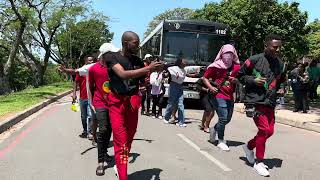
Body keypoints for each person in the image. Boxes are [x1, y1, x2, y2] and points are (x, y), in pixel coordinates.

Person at [103, 31, 163, 180]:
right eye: (135, 43)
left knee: (129, 137)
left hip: (132, 103)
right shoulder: (111, 56)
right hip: (116, 103)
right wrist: (148, 68)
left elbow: (143, 80)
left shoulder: (138, 60)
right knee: (121, 140)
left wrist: (156, 73)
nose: (138, 45)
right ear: (125, 43)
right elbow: (122, 74)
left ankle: (119, 163)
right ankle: (123, 176)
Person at [237, 34, 286, 177]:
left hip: (270, 101)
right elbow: (240, 75)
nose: (277, 50)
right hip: (255, 101)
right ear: (266, 46)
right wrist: (253, 80)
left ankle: (248, 146)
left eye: (279, 48)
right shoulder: (254, 59)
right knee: (264, 130)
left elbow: (282, 79)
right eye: (275, 47)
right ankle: (258, 162)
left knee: (269, 132)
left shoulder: (281, 64)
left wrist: (282, 88)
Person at [88, 43, 120, 176]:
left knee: (110, 130)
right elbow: (90, 86)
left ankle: (105, 153)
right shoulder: (93, 69)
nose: (114, 55)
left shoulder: (116, 67)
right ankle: (101, 162)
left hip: (113, 103)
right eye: (111, 53)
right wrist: (91, 103)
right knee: (103, 129)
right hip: (99, 102)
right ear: (104, 55)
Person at [203, 44, 240, 151]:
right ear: (221, 54)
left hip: (230, 96)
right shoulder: (215, 66)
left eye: (231, 53)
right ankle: (221, 140)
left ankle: (214, 129)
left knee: (227, 119)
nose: (228, 56)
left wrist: (236, 80)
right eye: (226, 53)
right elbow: (205, 78)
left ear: (234, 55)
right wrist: (210, 87)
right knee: (223, 118)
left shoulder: (237, 67)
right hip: (218, 95)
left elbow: (241, 79)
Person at [67, 56, 94, 138]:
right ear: (85, 62)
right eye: (89, 60)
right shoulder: (81, 71)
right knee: (83, 116)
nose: (91, 61)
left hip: (91, 98)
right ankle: (85, 130)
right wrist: (74, 94)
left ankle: (90, 132)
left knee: (90, 115)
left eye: (92, 60)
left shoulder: (93, 71)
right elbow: (75, 82)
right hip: (82, 97)